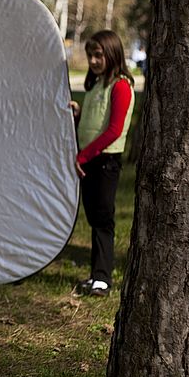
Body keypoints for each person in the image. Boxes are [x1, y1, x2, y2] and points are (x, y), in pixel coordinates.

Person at [69, 29, 135, 298]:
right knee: (94, 217)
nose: (94, 60)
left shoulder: (120, 85)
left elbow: (114, 130)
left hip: (104, 162)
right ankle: (96, 274)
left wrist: (83, 156)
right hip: (89, 161)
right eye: (90, 55)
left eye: (98, 55)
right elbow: (95, 122)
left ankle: (103, 279)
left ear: (112, 54)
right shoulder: (97, 85)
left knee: (103, 219)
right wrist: (78, 114)